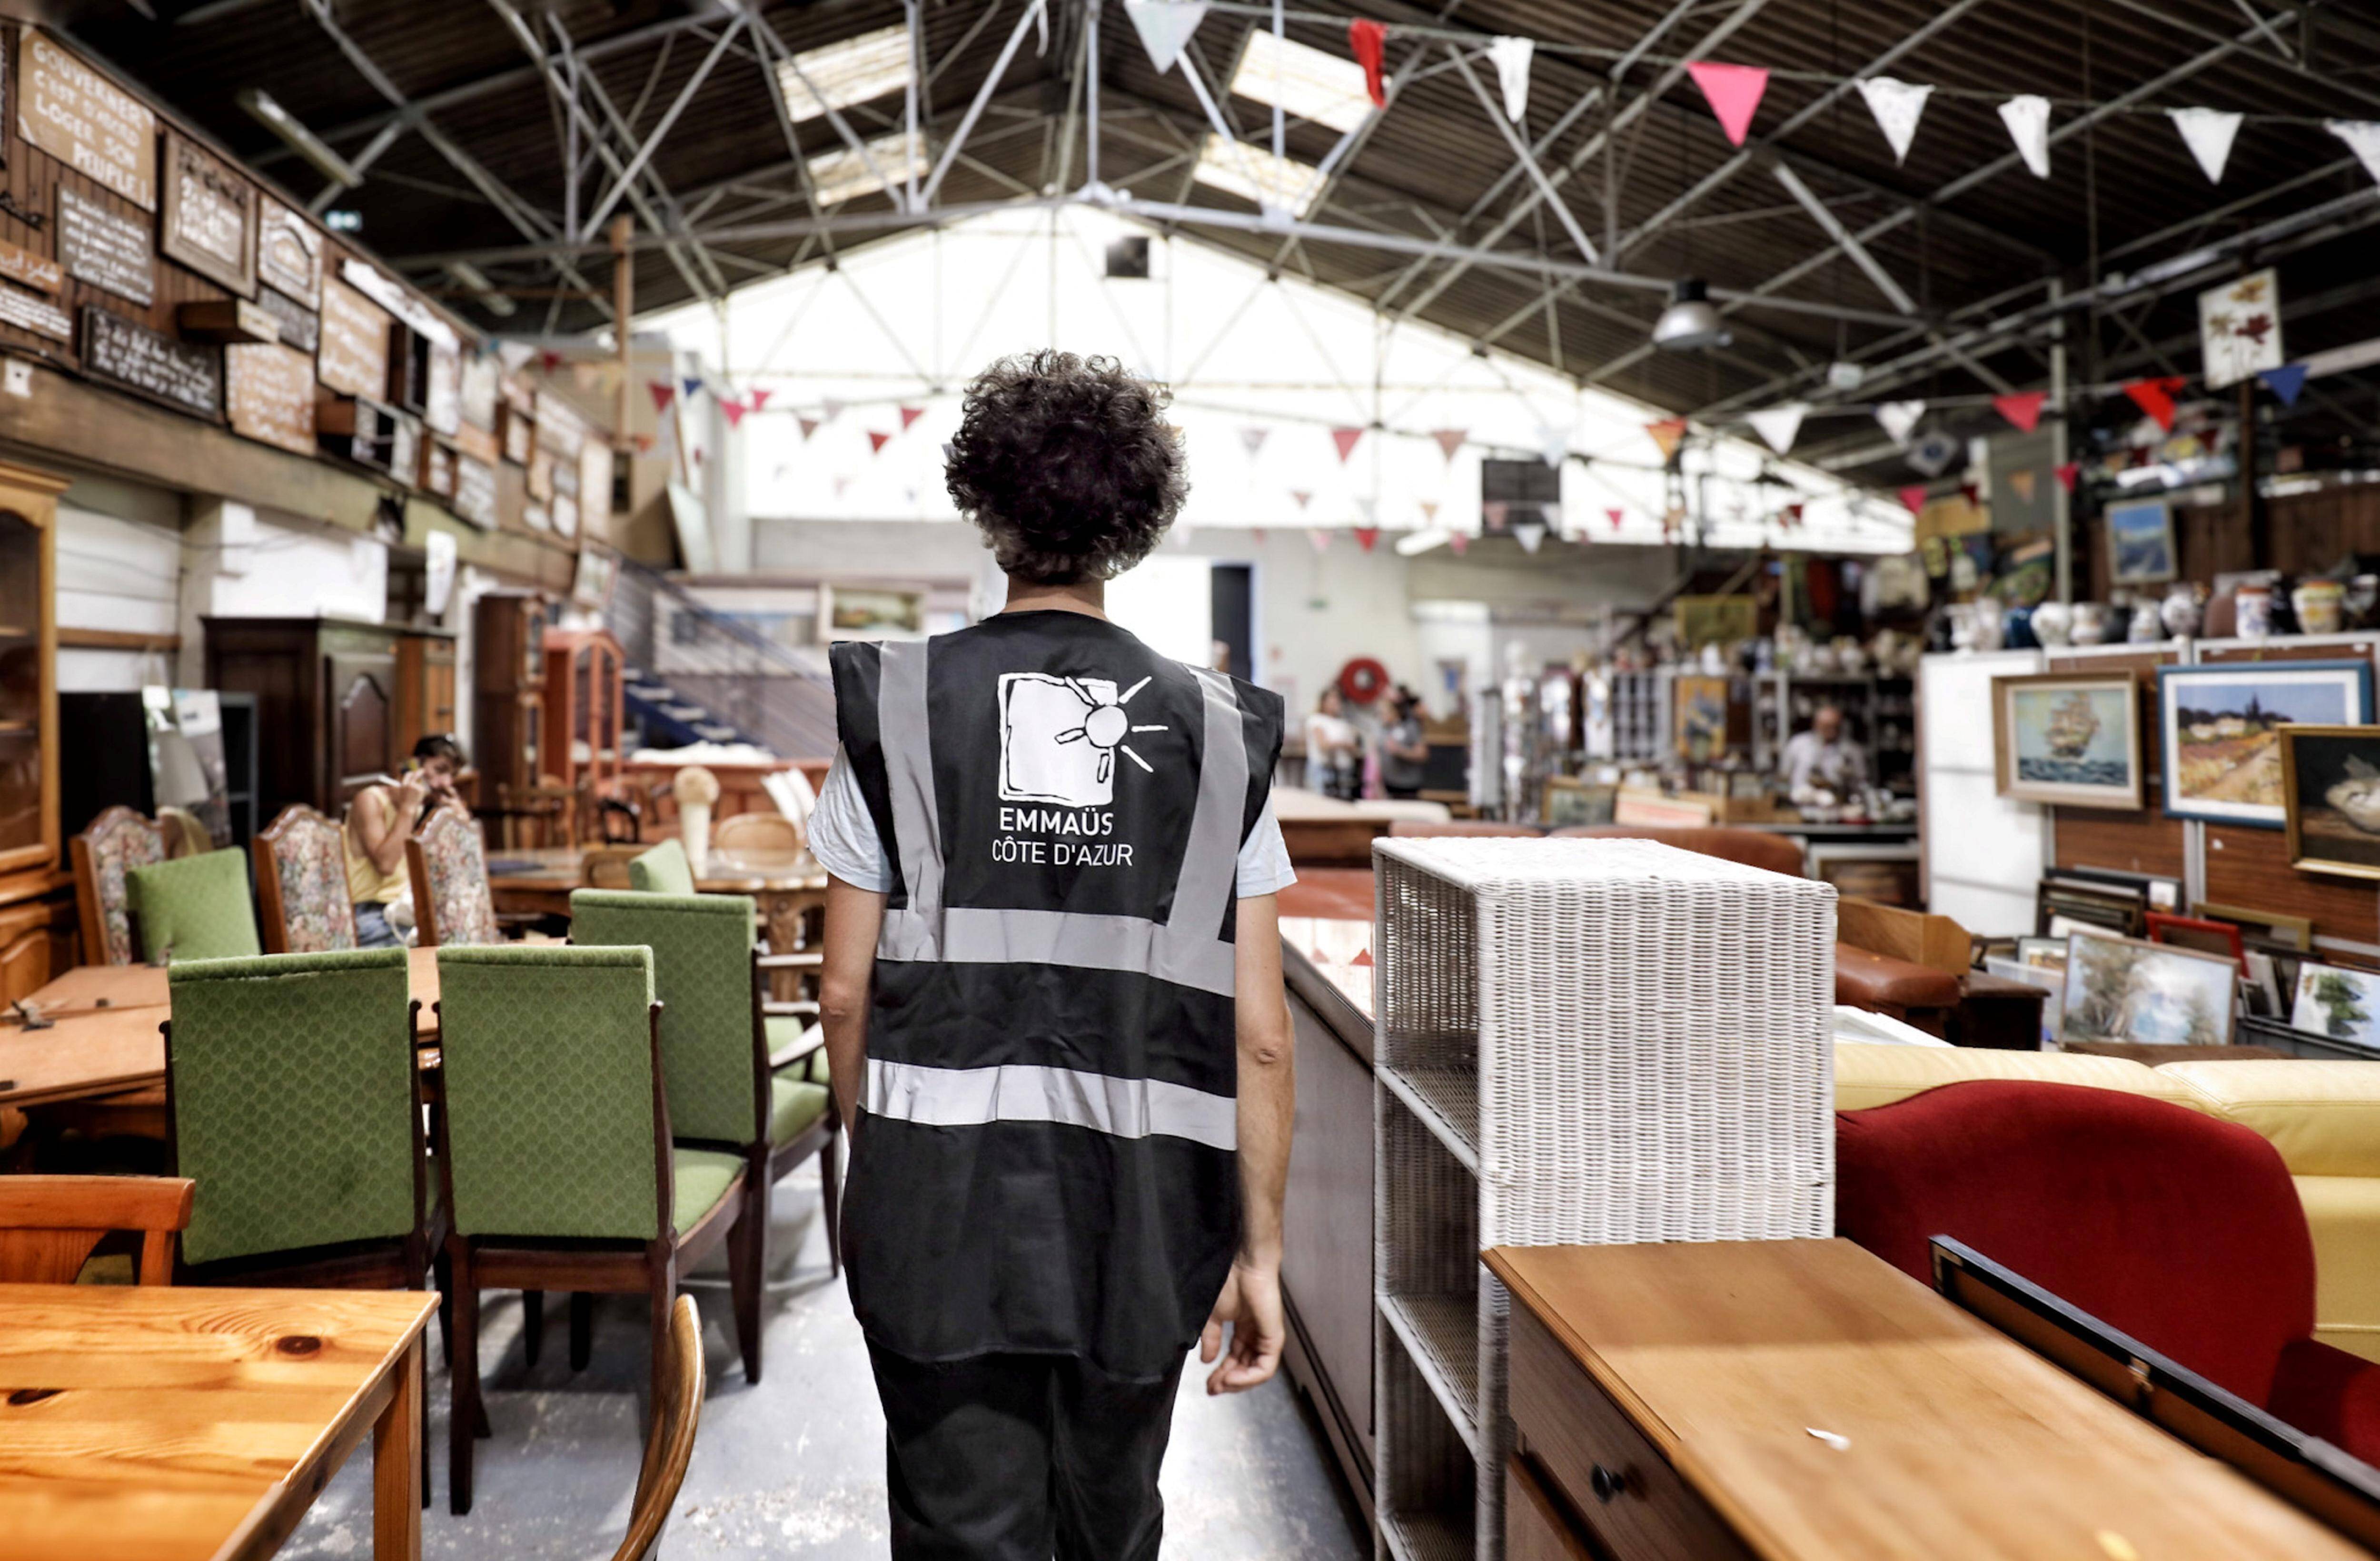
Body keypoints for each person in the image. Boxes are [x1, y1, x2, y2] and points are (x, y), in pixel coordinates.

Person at [810, 350, 1298, 1561]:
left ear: (986, 505)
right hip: (1143, 1220)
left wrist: (892, 1163)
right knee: (1111, 1522)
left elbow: (842, 985)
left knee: (953, 1526)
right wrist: (1262, 1250)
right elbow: (1262, 1034)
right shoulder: (1219, 738)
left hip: (936, 1209)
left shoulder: (902, 709)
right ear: (1133, 526)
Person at [345, 733, 468, 948]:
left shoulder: (421, 808)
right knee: (442, 949)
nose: (446, 783)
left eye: (452, 775)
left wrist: (460, 821)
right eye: (440, 770)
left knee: (464, 936)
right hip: (369, 914)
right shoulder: (370, 800)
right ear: (413, 765)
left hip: (402, 911)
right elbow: (386, 865)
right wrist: (408, 808)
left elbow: (458, 868)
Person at [1778, 703, 1867, 800]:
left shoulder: (1852, 750)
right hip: (1801, 803)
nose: (1832, 731)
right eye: (1826, 727)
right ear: (1816, 724)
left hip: (1838, 802)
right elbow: (1785, 775)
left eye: (1835, 727)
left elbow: (1861, 781)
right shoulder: (1798, 743)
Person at [1305, 685, 1359, 799]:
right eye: (1332, 699)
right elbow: (1323, 745)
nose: (1335, 702)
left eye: (1337, 699)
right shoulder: (1317, 720)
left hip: (1343, 769)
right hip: (1323, 767)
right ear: (1324, 702)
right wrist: (1343, 744)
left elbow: (1355, 747)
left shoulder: (1343, 723)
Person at [1378, 685, 1429, 800]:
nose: (1382, 715)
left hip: (1407, 785)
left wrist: (1400, 751)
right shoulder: (1385, 729)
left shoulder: (1410, 727)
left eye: (1385, 712)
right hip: (1389, 784)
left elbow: (1422, 754)